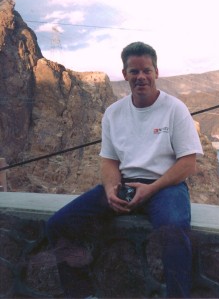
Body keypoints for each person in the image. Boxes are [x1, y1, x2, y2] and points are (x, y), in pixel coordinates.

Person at [46, 41, 203, 298]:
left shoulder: (175, 109)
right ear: (125, 74)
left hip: (164, 187)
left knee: (173, 231)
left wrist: (151, 189)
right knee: (59, 225)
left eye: (146, 70)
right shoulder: (113, 113)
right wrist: (110, 189)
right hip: (124, 185)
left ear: (156, 72)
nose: (141, 77)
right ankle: (81, 293)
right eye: (134, 71)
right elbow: (109, 161)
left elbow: (188, 163)